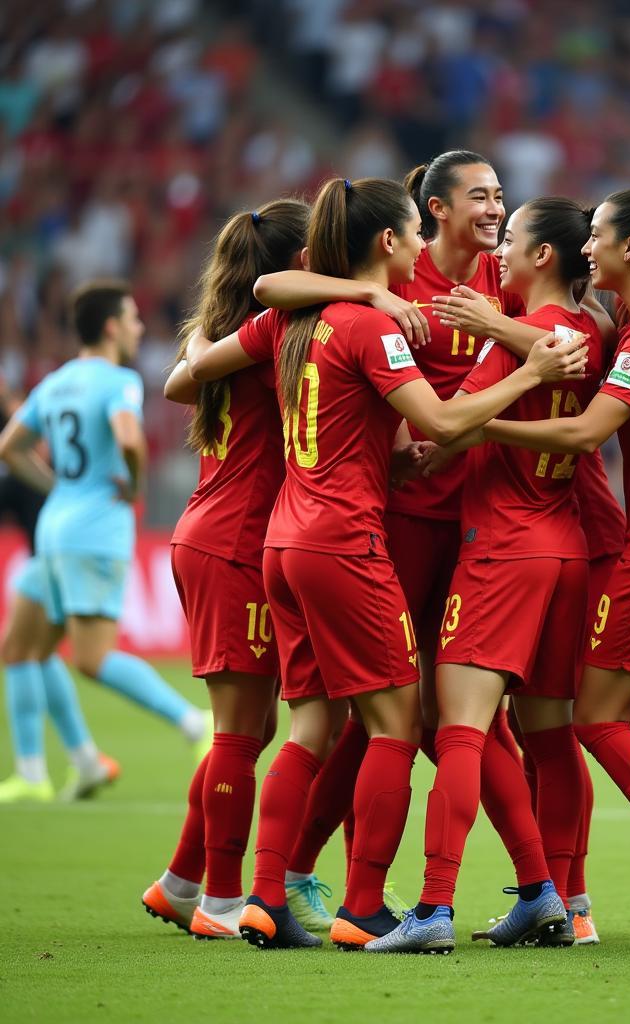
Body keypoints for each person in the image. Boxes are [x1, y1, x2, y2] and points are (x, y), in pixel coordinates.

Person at [186, 176, 587, 951]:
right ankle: (363, 903)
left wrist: (197, 344)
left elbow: (202, 370)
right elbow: (437, 419)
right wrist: (531, 374)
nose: (414, 250)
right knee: (399, 722)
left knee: (311, 723)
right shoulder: (376, 330)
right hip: (348, 543)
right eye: (407, 234)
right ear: (389, 243)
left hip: (284, 544)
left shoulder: (289, 323)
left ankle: (262, 897)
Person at [411, 189, 630, 950]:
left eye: (598, 235)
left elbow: (578, 430)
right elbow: (577, 343)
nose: (588, 246)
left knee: (583, 720)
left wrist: (463, 429)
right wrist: (507, 332)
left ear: (629, 248)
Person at [369, 197, 614, 952]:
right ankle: (564, 901)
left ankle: (434, 906)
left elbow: (455, 421)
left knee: (459, 728)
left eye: (510, 240)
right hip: (564, 547)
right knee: (548, 735)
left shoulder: (517, 340)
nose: (497, 252)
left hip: (503, 547)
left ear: (544, 257)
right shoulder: (588, 332)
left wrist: (419, 447)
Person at [141, 199, 310, 941]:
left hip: (217, 533)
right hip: (236, 541)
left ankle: (180, 882)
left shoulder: (224, 332)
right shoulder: (268, 337)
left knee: (253, 722)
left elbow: (182, 380)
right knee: (240, 732)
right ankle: (219, 898)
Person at [0, 281, 210, 780]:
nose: (139, 327)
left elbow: (9, 446)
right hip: (95, 531)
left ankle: (43, 772)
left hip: (55, 529)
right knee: (88, 658)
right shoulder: (119, 382)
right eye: (133, 318)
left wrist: (56, 487)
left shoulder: (56, 382)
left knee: (20, 649)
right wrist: (132, 484)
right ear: (112, 327)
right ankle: (193, 722)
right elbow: (130, 440)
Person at [0, 388, 119, 803]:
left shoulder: (25, 469)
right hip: (57, 553)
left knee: (27, 651)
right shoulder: (56, 449)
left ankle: (190, 722)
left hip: (55, 556)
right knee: (35, 651)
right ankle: (84, 758)